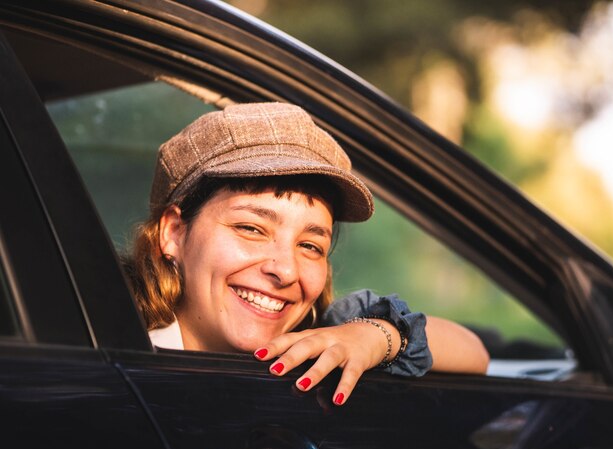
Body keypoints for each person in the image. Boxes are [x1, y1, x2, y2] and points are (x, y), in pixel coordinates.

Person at [123, 102, 489, 406]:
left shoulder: (324, 338)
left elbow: (473, 352)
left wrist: (378, 336)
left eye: (310, 246)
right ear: (173, 232)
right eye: (251, 229)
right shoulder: (100, 335)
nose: (285, 270)